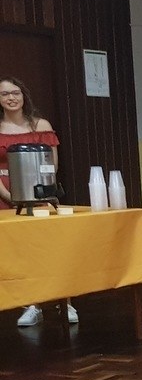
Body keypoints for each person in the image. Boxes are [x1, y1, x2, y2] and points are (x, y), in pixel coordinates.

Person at [2, 77, 76, 327]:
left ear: (23, 95)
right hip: (5, 196)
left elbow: (51, 165)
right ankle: (31, 304)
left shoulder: (40, 125)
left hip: (39, 193)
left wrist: (37, 194)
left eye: (15, 92)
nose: (11, 98)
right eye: (4, 94)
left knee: (48, 249)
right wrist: (10, 197)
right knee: (19, 254)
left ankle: (64, 301)